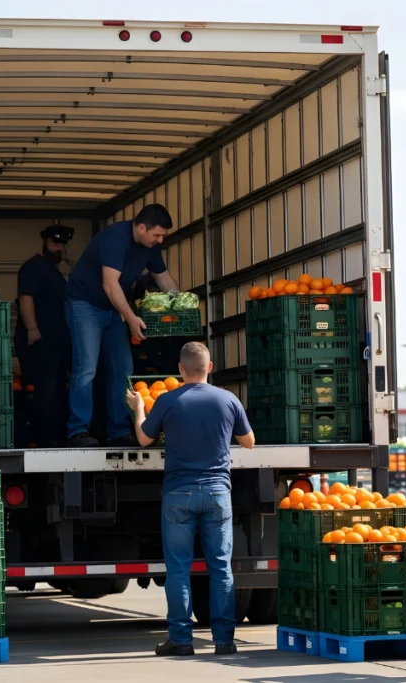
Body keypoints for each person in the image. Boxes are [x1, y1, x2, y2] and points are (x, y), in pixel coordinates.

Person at [125, 342, 255, 656]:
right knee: (220, 568)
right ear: (209, 367)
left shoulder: (168, 401)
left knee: (179, 570)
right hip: (217, 493)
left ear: (181, 370)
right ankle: (224, 641)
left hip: (178, 493)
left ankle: (181, 641)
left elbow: (144, 439)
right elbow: (248, 443)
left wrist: (139, 407)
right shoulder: (228, 399)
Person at [66, 204, 179, 447]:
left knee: (123, 368)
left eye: (162, 236)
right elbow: (110, 285)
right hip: (85, 304)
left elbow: (163, 277)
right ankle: (77, 431)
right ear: (141, 227)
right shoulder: (115, 238)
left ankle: (118, 430)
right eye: (157, 235)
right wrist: (129, 316)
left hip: (113, 308)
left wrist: (181, 305)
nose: (159, 240)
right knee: (86, 369)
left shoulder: (150, 246)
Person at [15, 224, 74, 447]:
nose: (58, 248)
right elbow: (26, 298)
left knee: (57, 391)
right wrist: (32, 328)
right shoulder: (34, 267)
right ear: (45, 242)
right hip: (41, 341)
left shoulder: (55, 272)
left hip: (57, 342)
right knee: (46, 392)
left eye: (62, 244)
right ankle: (46, 440)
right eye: (54, 243)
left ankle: (55, 437)